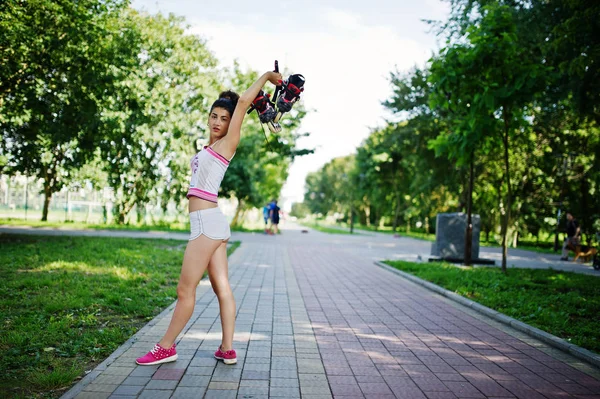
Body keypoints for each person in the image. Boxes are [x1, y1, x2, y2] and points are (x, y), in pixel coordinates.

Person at [135, 70, 283, 366]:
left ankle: (166, 347)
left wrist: (266, 77)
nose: (217, 122)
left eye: (224, 118)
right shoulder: (210, 148)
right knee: (222, 287)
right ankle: (227, 349)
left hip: (206, 225)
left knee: (184, 290)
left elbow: (242, 103)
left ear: (231, 124)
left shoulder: (227, 145)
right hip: (212, 223)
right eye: (214, 116)